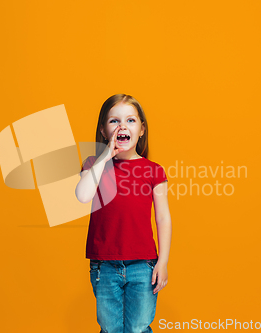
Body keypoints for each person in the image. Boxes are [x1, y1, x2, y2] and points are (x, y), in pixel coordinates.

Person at [75, 93, 172, 333]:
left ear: (141, 129)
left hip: (143, 263)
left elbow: (163, 218)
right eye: (114, 121)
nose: (122, 126)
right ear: (103, 131)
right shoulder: (94, 165)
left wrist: (164, 260)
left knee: (138, 327)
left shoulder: (153, 171)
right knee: (110, 329)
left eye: (130, 120)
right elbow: (82, 195)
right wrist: (105, 155)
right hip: (104, 265)